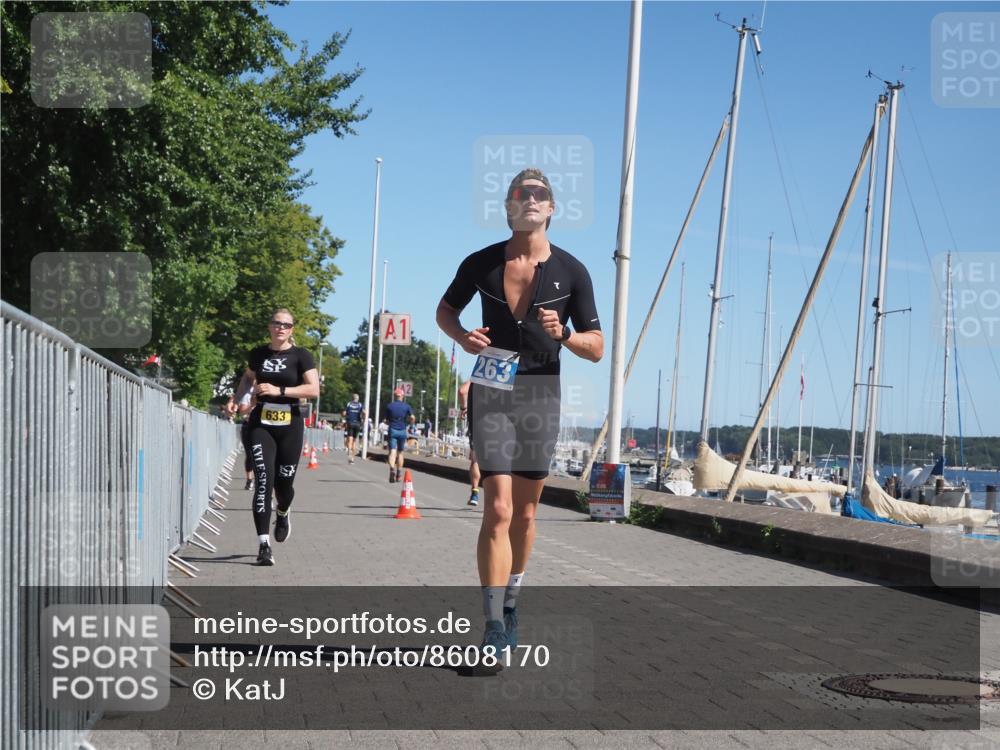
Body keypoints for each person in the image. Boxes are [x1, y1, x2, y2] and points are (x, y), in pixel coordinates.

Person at [436, 168, 603, 655]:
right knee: (499, 508)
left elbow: (597, 348)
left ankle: (511, 601)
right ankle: (491, 627)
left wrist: (565, 335)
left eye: (539, 194)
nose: (529, 199)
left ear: (552, 208)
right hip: (491, 384)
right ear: (508, 208)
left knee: (526, 515)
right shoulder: (481, 263)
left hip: (540, 390)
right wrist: (463, 337)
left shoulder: (573, 272)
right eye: (519, 194)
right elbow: (445, 311)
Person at [229, 308, 319, 566]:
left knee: (284, 485)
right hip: (262, 423)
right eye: (276, 323)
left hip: (290, 423)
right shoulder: (258, 353)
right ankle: (264, 545)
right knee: (263, 482)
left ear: (292, 329)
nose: (280, 327)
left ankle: (282, 512)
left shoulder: (301, 355)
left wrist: (280, 389)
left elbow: (313, 389)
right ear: (269, 326)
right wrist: (238, 399)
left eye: (286, 324)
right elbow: (248, 377)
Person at [458, 379, 481, 507]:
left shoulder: (480, 374)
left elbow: (462, 391)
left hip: (478, 422)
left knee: (476, 460)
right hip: (501, 423)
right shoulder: (510, 372)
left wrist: (464, 408)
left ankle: (475, 493)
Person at [384, 389, 413, 482]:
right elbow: (412, 417)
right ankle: (399, 473)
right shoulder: (407, 406)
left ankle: (392, 469)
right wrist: (411, 424)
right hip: (402, 431)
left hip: (392, 429)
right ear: (402, 396)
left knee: (392, 451)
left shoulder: (389, 406)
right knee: (400, 453)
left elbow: (386, 420)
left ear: (395, 396)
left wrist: (390, 422)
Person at [342, 393, 365, 464]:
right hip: (357, 424)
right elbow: (364, 412)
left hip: (350, 423)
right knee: (354, 441)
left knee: (350, 440)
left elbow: (344, 413)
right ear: (357, 399)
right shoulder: (360, 405)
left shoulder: (349, 404)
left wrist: (345, 416)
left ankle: (349, 451)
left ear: (352, 398)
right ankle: (352, 458)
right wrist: (363, 420)